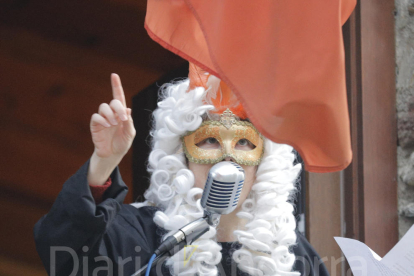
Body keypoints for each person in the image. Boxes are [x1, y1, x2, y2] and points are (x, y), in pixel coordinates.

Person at [34, 64, 330, 276]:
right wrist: (104, 162)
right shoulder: (137, 234)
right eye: (210, 140)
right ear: (181, 154)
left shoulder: (290, 254)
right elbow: (66, 253)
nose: (227, 158)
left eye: (244, 143)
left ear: (265, 161)